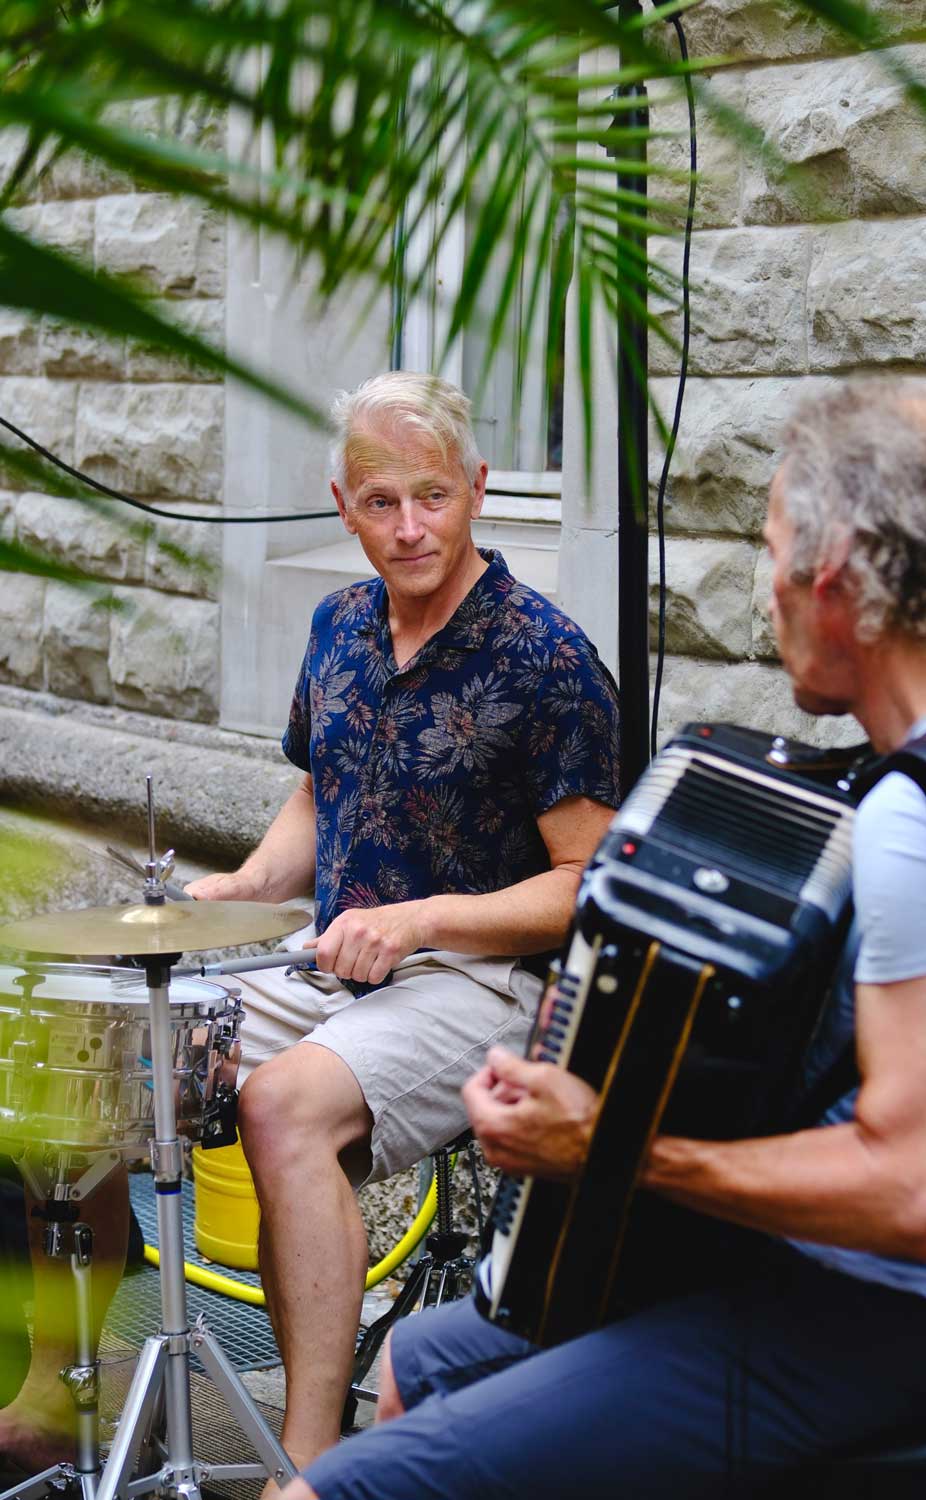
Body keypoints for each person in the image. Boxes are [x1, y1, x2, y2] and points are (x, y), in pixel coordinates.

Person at [282, 377, 926, 1500]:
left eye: (768, 555)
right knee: (421, 1358)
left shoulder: (909, 816)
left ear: (832, 577)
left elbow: (916, 1195)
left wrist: (609, 1147)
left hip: (908, 1315)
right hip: (901, 1285)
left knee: (349, 1487)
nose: (763, 598)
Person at [181, 371, 621, 1484]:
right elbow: (319, 793)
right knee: (116, 1054)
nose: (410, 526)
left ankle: (310, 1468)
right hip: (334, 963)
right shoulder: (338, 624)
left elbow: (590, 883)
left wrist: (420, 918)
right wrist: (241, 887)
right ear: (343, 504)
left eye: (434, 495)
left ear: (479, 490)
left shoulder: (546, 657)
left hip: (486, 982)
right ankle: (55, 1392)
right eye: (382, 502)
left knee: (281, 1106)